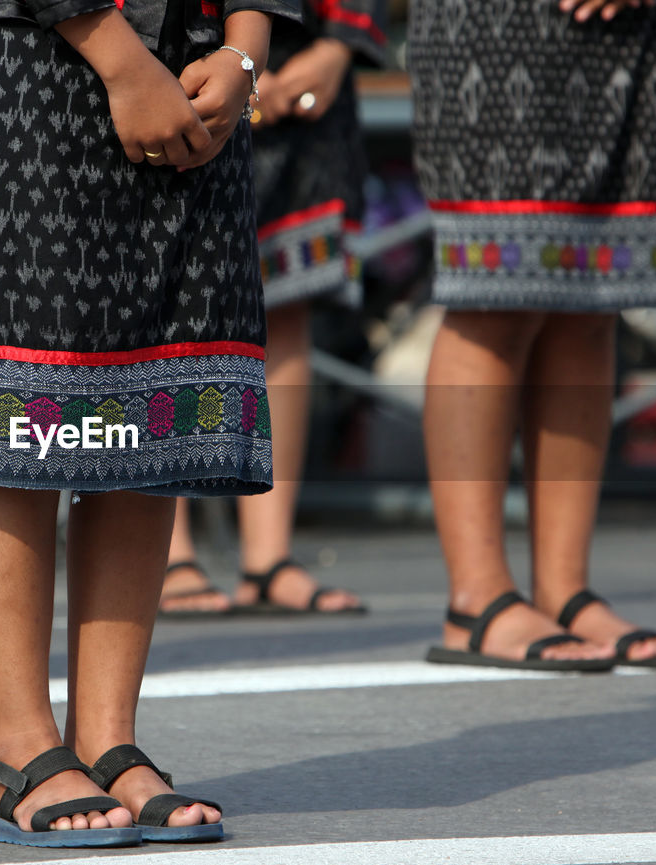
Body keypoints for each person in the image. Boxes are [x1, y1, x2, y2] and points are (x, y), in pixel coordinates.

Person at [0, 0, 292, 845]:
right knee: (22, 414)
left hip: (200, 81)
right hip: (30, 65)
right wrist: (122, 64)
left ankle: (107, 734)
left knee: (149, 408)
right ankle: (18, 747)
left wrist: (244, 53)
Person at [409, 0, 656, 671]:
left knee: (595, 297)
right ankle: (477, 597)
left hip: (635, 27)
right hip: (495, 24)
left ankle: (563, 585)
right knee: (493, 289)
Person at [160, 0, 385, 617]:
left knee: (284, 310)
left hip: (302, 62)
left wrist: (338, 46)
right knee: (163, 304)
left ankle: (268, 555)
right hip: (179, 56)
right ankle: (168, 551)